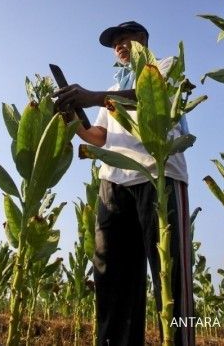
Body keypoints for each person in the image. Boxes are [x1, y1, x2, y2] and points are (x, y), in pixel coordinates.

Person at [54, 21, 195, 346]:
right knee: (112, 280)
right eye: (114, 42)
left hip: (159, 176)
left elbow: (149, 94)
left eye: (125, 38)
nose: (119, 45)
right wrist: (71, 115)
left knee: (170, 278)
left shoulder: (165, 65)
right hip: (113, 183)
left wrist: (93, 96)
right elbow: (97, 136)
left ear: (142, 39)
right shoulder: (112, 87)